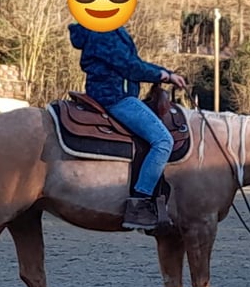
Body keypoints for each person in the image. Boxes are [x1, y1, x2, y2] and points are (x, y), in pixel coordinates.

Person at [69, 22, 186, 230]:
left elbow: (133, 62)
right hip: (114, 97)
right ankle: (140, 204)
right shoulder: (103, 30)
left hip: (112, 93)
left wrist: (165, 72)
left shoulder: (106, 29)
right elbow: (130, 67)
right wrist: (165, 76)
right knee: (163, 141)